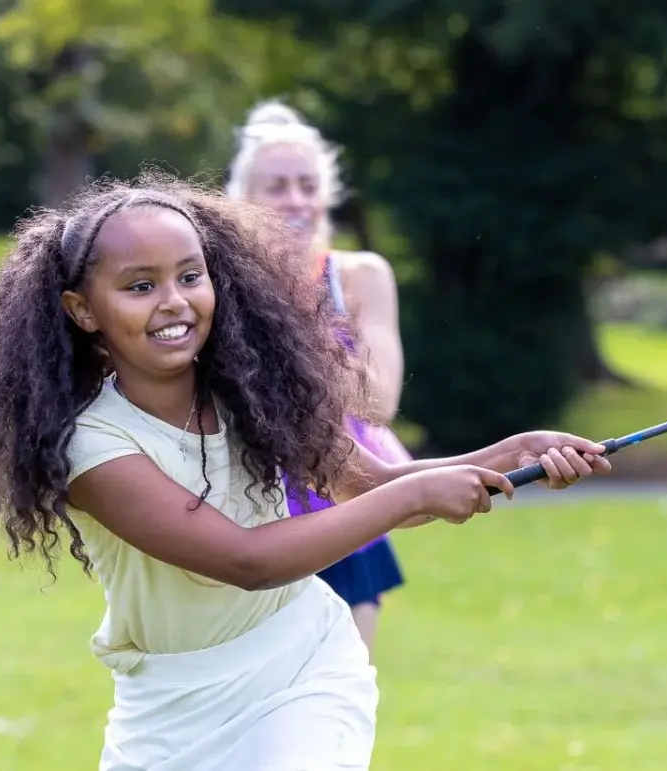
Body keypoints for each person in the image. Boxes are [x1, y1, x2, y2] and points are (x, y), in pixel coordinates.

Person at [0, 171, 613, 770]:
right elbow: (249, 561)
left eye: (191, 276)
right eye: (139, 286)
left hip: (301, 668)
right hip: (167, 705)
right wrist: (422, 490)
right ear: (81, 309)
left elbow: (366, 485)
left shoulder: (249, 389)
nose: (174, 301)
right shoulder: (93, 447)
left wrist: (509, 453)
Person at [225, 100, 412, 654]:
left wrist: (289, 334)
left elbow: (378, 401)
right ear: (242, 200)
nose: (296, 201)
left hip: (348, 509)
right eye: (277, 186)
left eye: (308, 185)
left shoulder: (359, 277)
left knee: (343, 698)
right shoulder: (215, 282)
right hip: (248, 515)